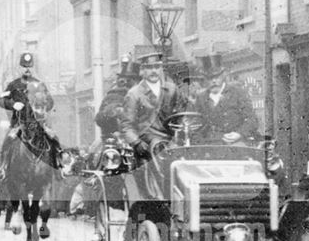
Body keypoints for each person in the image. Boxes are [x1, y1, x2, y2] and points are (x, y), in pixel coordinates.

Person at [120, 50, 184, 197]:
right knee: (161, 151)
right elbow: (127, 126)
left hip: (170, 139)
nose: (153, 71)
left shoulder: (172, 90)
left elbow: (181, 115)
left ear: (161, 68)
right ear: (142, 70)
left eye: (156, 67)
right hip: (147, 144)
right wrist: (136, 142)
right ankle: (164, 197)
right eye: (149, 68)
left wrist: (183, 129)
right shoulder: (134, 94)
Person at [0, 52, 59, 179]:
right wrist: (13, 104)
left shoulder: (40, 85)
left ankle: (58, 167)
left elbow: (51, 101)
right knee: (7, 141)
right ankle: (2, 167)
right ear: (20, 68)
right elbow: (1, 100)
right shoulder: (13, 85)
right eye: (24, 66)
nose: (27, 69)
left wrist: (42, 106)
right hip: (19, 124)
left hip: (38, 124)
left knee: (54, 139)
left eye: (29, 66)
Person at [192, 54, 259, 144]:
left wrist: (239, 134)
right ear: (204, 79)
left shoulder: (238, 93)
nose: (214, 81)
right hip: (209, 145)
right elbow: (196, 124)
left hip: (235, 143)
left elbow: (252, 120)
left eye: (217, 76)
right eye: (209, 78)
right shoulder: (201, 98)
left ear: (223, 75)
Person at [94, 59, 141, 140]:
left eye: (130, 79)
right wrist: (113, 130)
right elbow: (99, 119)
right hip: (116, 140)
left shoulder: (146, 95)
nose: (125, 82)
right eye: (125, 79)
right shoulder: (112, 96)